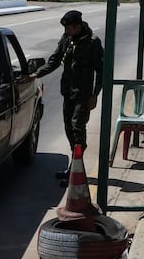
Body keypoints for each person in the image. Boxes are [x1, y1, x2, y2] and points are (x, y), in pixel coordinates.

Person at [37, 9, 103, 157]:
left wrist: (95, 94)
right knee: (68, 127)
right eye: (65, 29)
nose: (66, 31)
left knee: (77, 127)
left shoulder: (92, 42)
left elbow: (101, 71)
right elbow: (54, 60)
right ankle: (75, 163)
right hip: (68, 91)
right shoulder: (67, 38)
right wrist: (36, 74)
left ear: (78, 26)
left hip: (84, 93)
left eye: (69, 28)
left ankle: (77, 165)